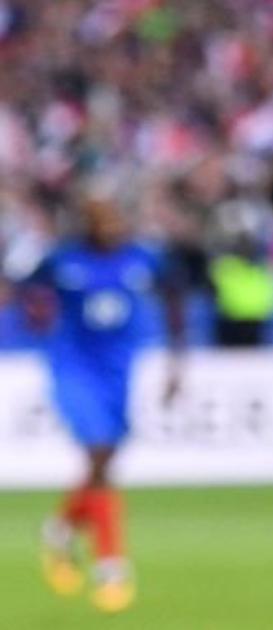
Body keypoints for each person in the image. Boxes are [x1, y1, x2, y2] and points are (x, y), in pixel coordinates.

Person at [20, 197, 185, 613]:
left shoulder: (142, 258)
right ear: (87, 224)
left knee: (105, 460)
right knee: (97, 451)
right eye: (101, 221)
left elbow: (174, 294)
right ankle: (111, 566)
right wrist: (37, 319)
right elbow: (26, 289)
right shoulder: (64, 260)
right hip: (73, 367)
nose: (110, 228)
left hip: (118, 370)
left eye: (115, 220)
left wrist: (177, 361)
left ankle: (60, 529)